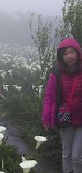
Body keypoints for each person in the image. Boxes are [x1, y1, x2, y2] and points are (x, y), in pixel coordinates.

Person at [42, 38, 82, 173]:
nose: (69, 56)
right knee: (66, 154)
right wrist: (46, 118)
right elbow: (50, 96)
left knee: (77, 157)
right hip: (66, 118)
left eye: (71, 52)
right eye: (65, 54)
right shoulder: (57, 72)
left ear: (78, 52)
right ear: (61, 56)